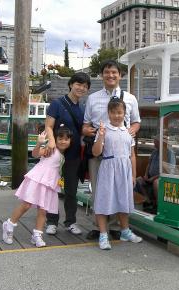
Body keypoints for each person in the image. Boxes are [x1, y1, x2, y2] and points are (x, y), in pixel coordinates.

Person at [83, 60, 141, 240]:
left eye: (114, 72)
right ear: (102, 75)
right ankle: (100, 228)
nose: (111, 75)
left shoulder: (130, 98)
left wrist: (133, 130)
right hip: (98, 149)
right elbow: (85, 125)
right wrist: (89, 131)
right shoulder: (92, 98)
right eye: (107, 72)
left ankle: (117, 227)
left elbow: (136, 122)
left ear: (120, 75)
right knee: (98, 190)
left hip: (120, 149)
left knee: (119, 189)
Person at [2, 126, 72, 247]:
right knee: (26, 204)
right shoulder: (52, 149)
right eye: (60, 138)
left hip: (49, 183)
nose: (63, 141)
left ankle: (37, 235)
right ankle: (9, 225)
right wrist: (39, 144)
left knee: (43, 210)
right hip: (38, 179)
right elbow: (34, 154)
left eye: (67, 139)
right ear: (55, 139)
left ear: (70, 141)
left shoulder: (63, 155)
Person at [43, 72, 91, 236]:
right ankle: (51, 221)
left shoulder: (83, 109)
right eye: (78, 84)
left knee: (71, 190)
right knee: (52, 188)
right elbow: (49, 126)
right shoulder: (57, 103)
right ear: (71, 84)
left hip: (74, 154)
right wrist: (51, 141)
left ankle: (70, 221)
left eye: (85, 86)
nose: (81, 88)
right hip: (56, 153)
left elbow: (84, 130)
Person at [92, 99, 142, 250]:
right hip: (108, 167)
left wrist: (133, 175)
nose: (116, 116)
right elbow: (96, 152)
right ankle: (103, 234)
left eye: (119, 112)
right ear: (108, 113)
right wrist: (100, 136)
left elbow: (132, 155)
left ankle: (125, 231)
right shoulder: (104, 130)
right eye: (113, 112)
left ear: (124, 113)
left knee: (123, 200)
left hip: (124, 169)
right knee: (103, 200)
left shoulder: (128, 132)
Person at [134, 135, 175, 212]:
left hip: (164, 178)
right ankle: (148, 201)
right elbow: (148, 164)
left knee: (156, 183)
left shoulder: (169, 153)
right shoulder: (154, 152)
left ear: (160, 143)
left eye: (155, 142)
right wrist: (146, 175)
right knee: (138, 180)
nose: (154, 143)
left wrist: (154, 178)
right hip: (150, 177)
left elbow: (169, 171)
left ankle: (158, 206)